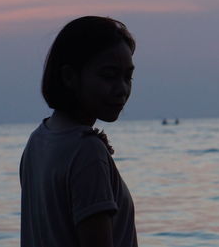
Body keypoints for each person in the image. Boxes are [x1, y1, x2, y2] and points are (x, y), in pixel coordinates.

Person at [19, 16, 137, 247]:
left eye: (127, 77)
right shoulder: (86, 151)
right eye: (109, 75)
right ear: (69, 77)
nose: (122, 89)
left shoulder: (38, 141)